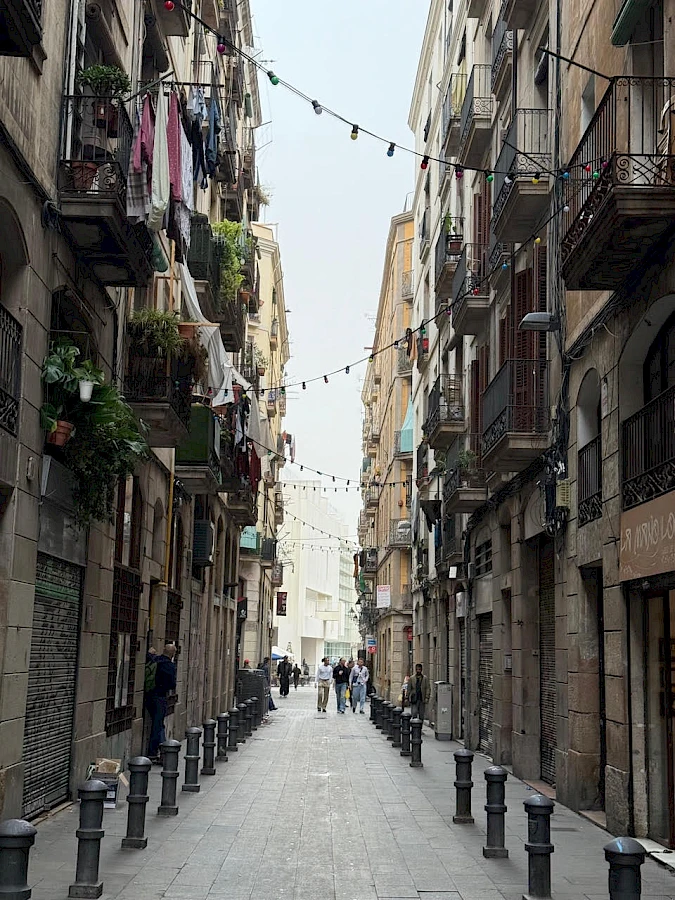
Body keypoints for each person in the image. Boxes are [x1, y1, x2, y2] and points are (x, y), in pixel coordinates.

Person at [145, 643, 177, 762]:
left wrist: (150, 653)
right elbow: (172, 684)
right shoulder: (169, 666)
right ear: (173, 654)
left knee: (159, 724)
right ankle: (154, 753)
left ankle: (163, 750)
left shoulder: (155, 660)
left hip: (148, 696)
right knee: (157, 725)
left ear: (163, 650)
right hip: (160, 697)